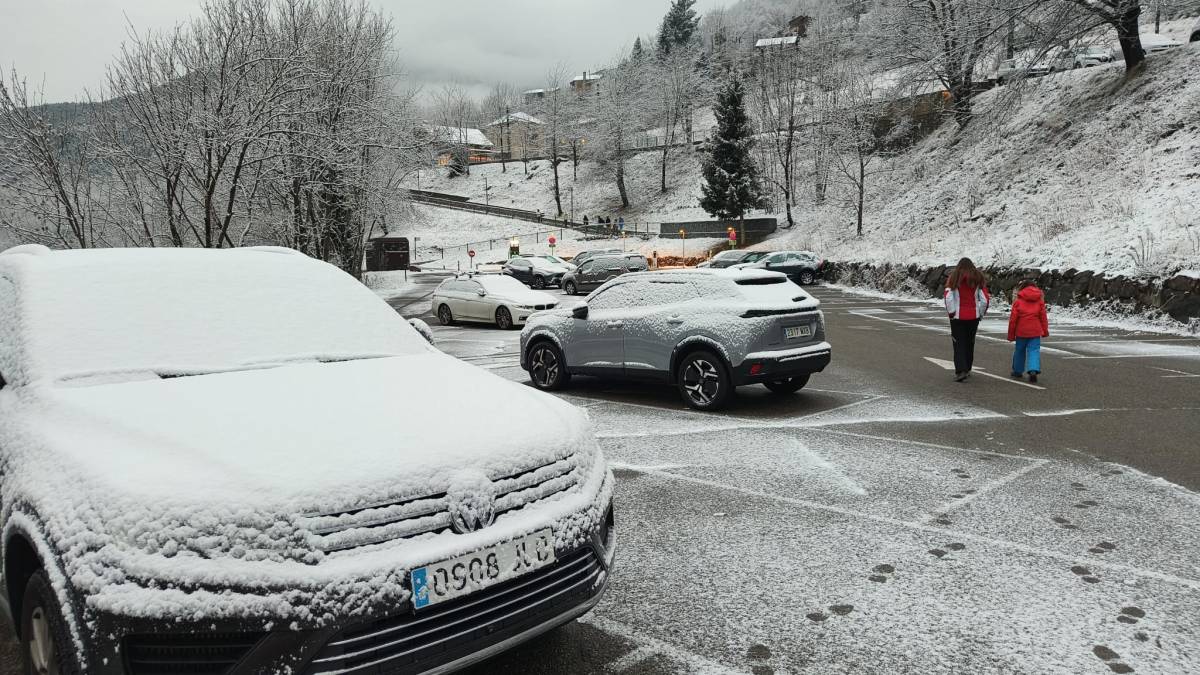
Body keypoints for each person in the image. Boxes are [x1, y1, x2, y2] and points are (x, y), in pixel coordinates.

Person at [943, 257, 990, 382]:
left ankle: (961, 370)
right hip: (973, 316)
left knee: (958, 343)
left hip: (958, 317)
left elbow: (948, 297)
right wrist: (980, 314)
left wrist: (952, 312)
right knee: (970, 342)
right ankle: (968, 368)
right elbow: (984, 300)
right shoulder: (978, 278)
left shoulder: (954, 277)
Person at [1008, 280, 1049, 384]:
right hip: (1035, 331)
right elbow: (1043, 317)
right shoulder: (1039, 301)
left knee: (1019, 351)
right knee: (1034, 350)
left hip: (1021, 331)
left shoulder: (1018, 301)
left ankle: (1017, 370)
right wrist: (1045, 331)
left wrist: (1011, 334)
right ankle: (1033, 370)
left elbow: (1013, 320)